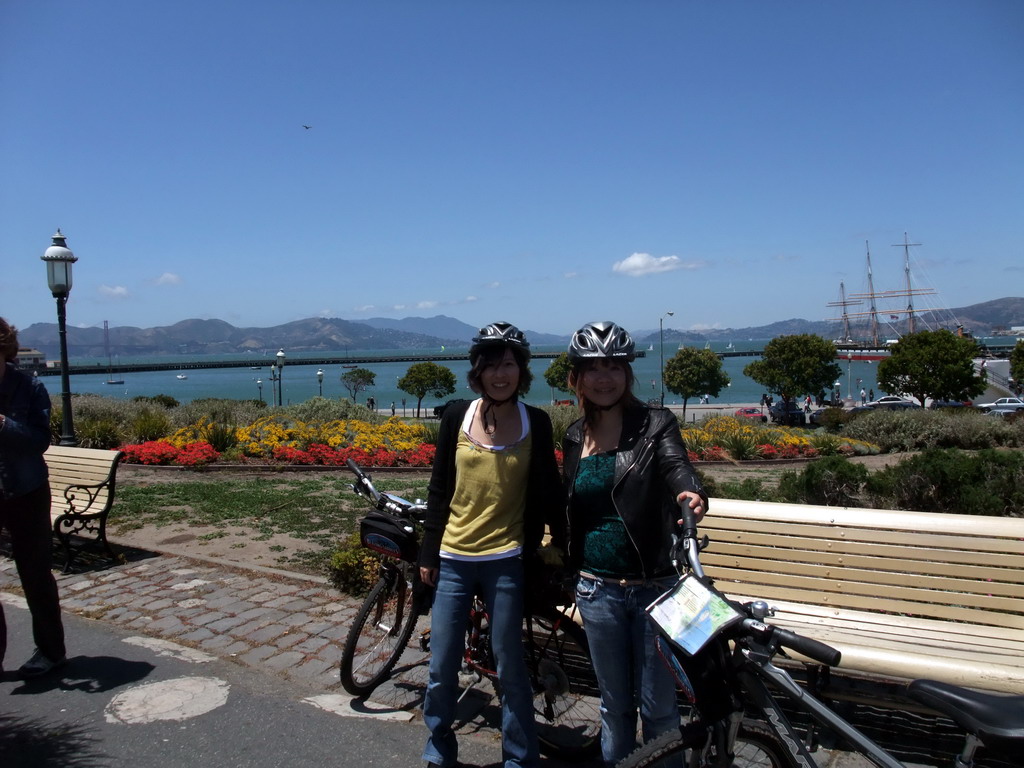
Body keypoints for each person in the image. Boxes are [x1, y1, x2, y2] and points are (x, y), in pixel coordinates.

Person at [556, 321, 708, 767]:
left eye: (614, 368)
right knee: (614, 707)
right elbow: (571, 511)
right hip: (595, 590)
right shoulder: (572, 436)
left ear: (627, 374)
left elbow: (677, 466)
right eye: (593, 369)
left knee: (659, 710)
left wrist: (690, 493)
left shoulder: (655, 424)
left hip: (653, 589)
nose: (604, 378)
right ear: (577, 377)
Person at [418, 322, 562, 768]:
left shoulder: (534, 422)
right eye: (492, 365)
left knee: (511, 667)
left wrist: (560, 542)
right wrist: (429, 549)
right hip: (454, 558)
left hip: (505, 560)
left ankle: (520, 757)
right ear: (477, 371)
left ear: (522, 370)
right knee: (441, 665)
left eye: (510, 364)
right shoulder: (456, 415)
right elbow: (440, 487)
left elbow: (549, 489)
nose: (501, 374)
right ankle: (438, 745)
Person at [0, 317, 67, 678]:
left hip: (26, 490)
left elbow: (40, 441)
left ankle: (51, 652)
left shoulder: (29, 388)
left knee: (35, 575)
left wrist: (3, 425)